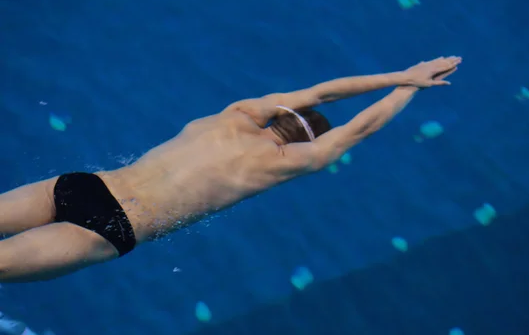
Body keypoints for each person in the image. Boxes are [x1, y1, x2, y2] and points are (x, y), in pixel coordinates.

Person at [0, 56, 462, 283]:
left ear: (279, 113)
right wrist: (410, 91)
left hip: (81, 185)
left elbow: (322, 93)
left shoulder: (237, 114)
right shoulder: (287, 163)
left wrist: (402, 72)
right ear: (308, 140)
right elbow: (359, 128)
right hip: (110, 227)